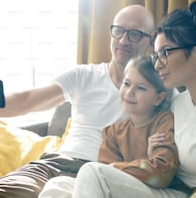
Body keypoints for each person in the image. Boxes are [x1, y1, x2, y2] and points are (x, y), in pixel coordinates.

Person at [0, 4, 155, 198]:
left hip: (106, 176)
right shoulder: (84, 75)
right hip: (56, 164)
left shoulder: (159, 92)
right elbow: (27, 101)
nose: (123, 40)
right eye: (118, 31)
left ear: (150, 42)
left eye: (134, 34)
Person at [70, 1, 196, 198]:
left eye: (165, 53)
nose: (158, 65)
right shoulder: (178, 103)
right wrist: (151, 151)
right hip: (171, 189)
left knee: (94, 173)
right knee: (75, 182)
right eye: (157, 55)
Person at [39, 56, 186, 198]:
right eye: (126, 84)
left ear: (158, 98)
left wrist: (117, 167)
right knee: (58, 185)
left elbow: (161, 175)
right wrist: (146, 159)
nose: (129, 93)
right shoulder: (113, 132)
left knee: (91, 170)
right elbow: (108, 174)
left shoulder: (164, 121)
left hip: (167, 192)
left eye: (141, 88)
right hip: (131, 187)